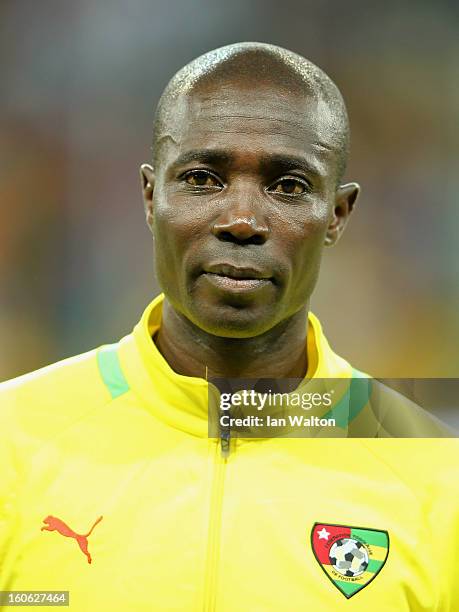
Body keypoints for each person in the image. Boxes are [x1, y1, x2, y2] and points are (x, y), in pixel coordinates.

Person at [0, 42, 457, 611]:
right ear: (150, 196)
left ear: (337, 215)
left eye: (288, 186)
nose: (242, 221)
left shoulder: (437, 473)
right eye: (202, 178)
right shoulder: (12, 439)